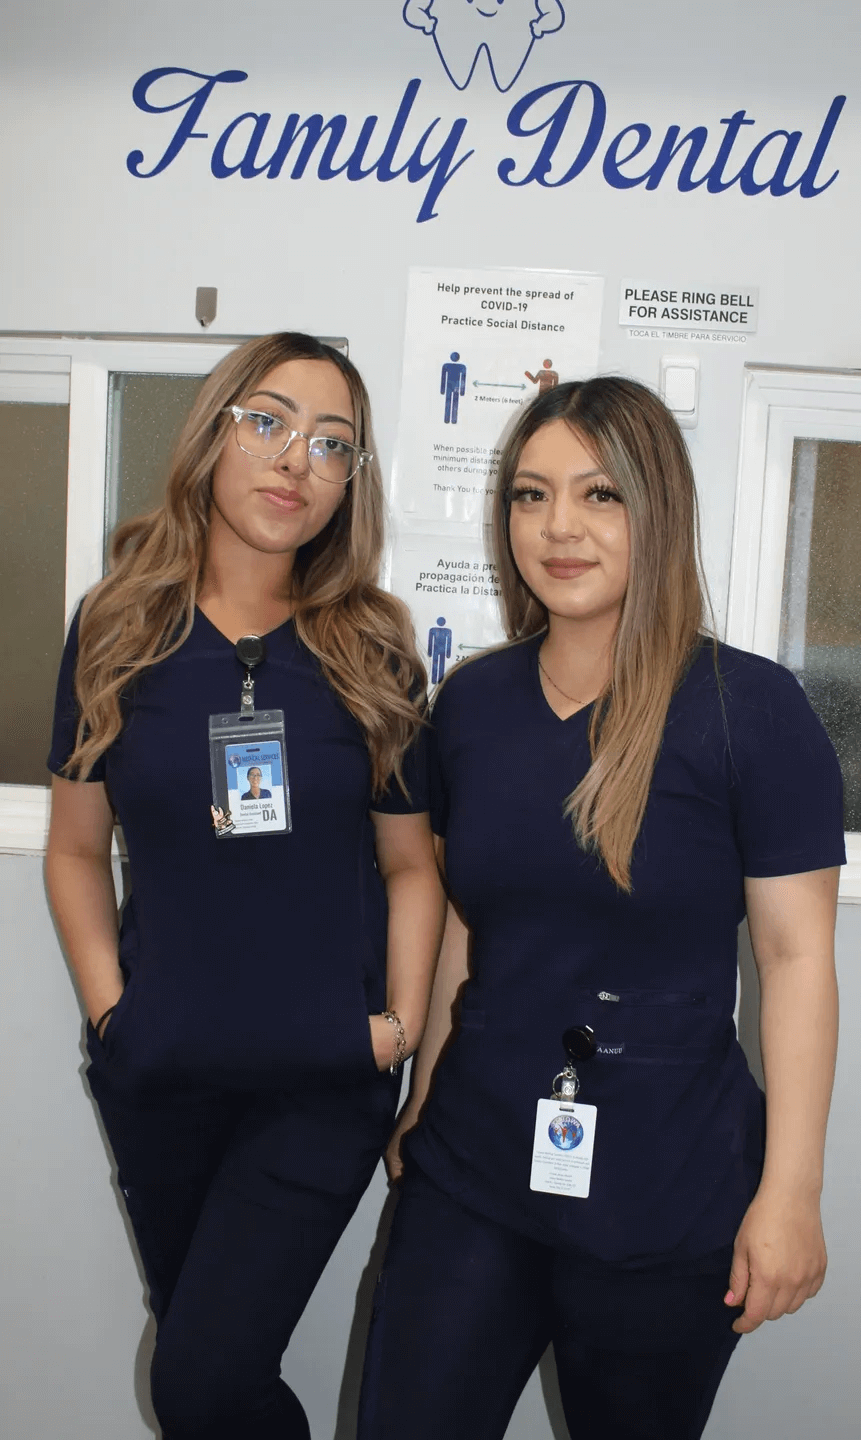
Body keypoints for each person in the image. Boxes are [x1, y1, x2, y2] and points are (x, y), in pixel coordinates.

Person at [358, 376, 845, 1440]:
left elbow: (796, 957)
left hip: (666, 1180)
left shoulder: (748, 712)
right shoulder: (473, 707)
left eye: (598, 495)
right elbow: (467, 925)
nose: (558, 527)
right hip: (475, 1160)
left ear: (655, 510)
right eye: (529, 497)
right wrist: (423, 1099)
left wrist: (791, 1192)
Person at [44, 332, 446, 1440]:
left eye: (332, 445)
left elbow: (414, 867)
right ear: (214, 433)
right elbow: (75, 849)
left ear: (349, 484)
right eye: (267, 422)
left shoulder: (375, 651)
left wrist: (398, 1028)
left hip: (321, 1076)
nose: (294, 461)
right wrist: (110, 1014)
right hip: (162, 1068)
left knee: (196, 1381)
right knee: (210, 1378)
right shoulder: (115, 627)